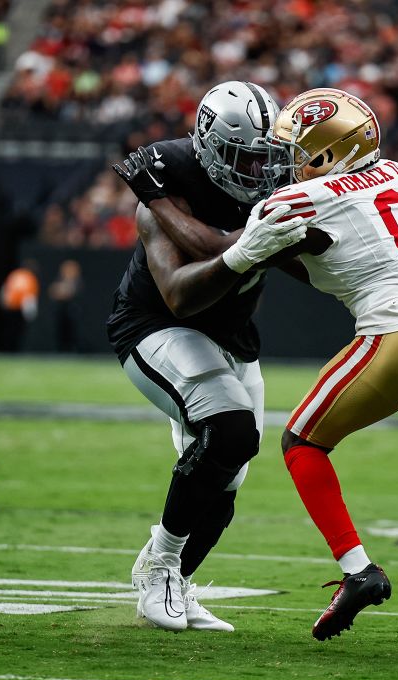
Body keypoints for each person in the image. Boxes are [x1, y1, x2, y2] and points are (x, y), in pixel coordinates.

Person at [149, 88, 398, 662]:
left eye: (299, 150)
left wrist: (154, 198)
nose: (286, 162)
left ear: (330, 153)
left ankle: (358, 570)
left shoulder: (298, 200)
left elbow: (231, 250)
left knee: (301, 442)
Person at [107, 80, 306, 633]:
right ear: (210, 146)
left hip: (231, 335)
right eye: (245, 157)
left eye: (268, 159)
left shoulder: (277, 182)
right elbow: (177, 291)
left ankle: (174, 577)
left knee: (229, 476)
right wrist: (244, 250)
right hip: (159, 324)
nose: (260, 172)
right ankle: (159, 567)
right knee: (233, 431)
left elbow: (314, 251)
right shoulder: (169, 181)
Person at [49, 259, 83, 352]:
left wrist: (63, 291)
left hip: (71, 311)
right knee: (60, 332)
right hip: (60, 312)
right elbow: (53, 291)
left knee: (72, 333)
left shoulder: (76, 281)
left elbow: (69, 292)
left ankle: (71, 350)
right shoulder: (59, 279)